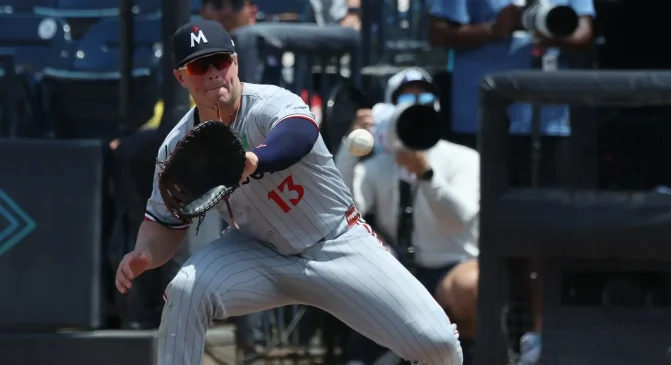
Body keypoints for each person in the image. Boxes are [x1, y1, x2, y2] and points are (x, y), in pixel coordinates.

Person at [114, 20, 462, 365]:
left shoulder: (269, 102)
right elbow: (164, 221)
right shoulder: (177, 146)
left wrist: (255, 159)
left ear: (235, 62)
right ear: (181, 76)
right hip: (257, 252)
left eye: (219, 60)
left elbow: (298, 134)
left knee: (440, 345)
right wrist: (145, 253)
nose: (212, 73)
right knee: (186, 290)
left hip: (335, 244)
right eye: (198, 65)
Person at [335, 68, 480, 365]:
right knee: (357, 263)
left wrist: (425, 175)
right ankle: (367, 353)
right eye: (407, 96)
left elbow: (457, 219)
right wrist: (351, 147)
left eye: (425, 95)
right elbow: (341, 211)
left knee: (472, 285)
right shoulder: (377, 166)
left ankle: (474, 356)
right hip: (399, 271)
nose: (417, 102)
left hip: (450, 268)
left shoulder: (464, 158)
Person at [427, 0, 595, 186]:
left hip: (547, 115)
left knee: (543, 202)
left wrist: (551, 35)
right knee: (477, 199)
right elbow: (438, 34)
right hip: (481, 115)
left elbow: (584, 33)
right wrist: (494, 30)